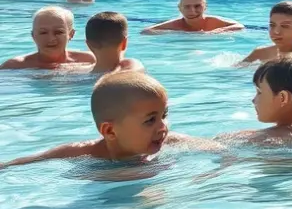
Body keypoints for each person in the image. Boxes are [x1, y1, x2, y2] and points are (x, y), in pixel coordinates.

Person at [0, 72, 222, 168]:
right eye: (150, 120)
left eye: (163, 115)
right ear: (110, 131)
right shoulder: (84, 154)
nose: (163, 127)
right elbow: (22, 163)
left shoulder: (173, 143)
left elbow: (222, 151)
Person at [1, 6, 95, 70]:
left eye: (58, 32)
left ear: (71, 34)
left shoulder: (90, 60)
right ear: (33, 36)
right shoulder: (14, 66)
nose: (51, 39)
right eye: (43, 32)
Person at [237, 1, 292, 65]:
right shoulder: (260, 53)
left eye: (284, 26)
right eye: (272, 25)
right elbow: (235, 70)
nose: (276, 31)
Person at [142, 0, 244, 33]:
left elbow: (239, 26)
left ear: (205, 7)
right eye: (187, 7)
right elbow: (146, 31)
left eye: (197, 6)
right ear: (180, 8)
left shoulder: (212, 22)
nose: (192, 11)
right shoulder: (175, 25)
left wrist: (217, 31)